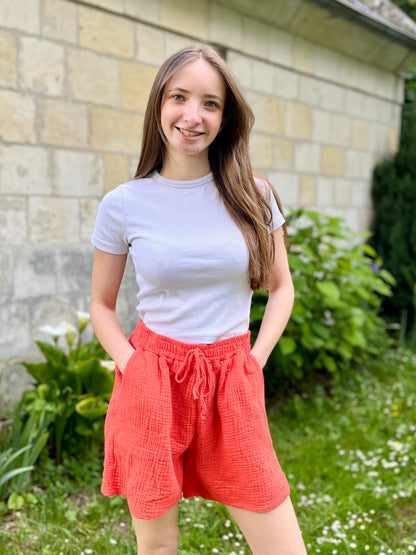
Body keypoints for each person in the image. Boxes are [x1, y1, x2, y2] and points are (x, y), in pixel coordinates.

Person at [90, 44, 306, 554]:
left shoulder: (254, 196)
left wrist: (254, 360)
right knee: (158, 547)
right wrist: (133, 366)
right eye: (179, 97)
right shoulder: (124, 204)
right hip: (153, 378)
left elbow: (282, 287)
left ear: (225, 117)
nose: (193, 115)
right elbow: (101, 304)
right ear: (158, 105)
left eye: (210, 103)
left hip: (232, 376)